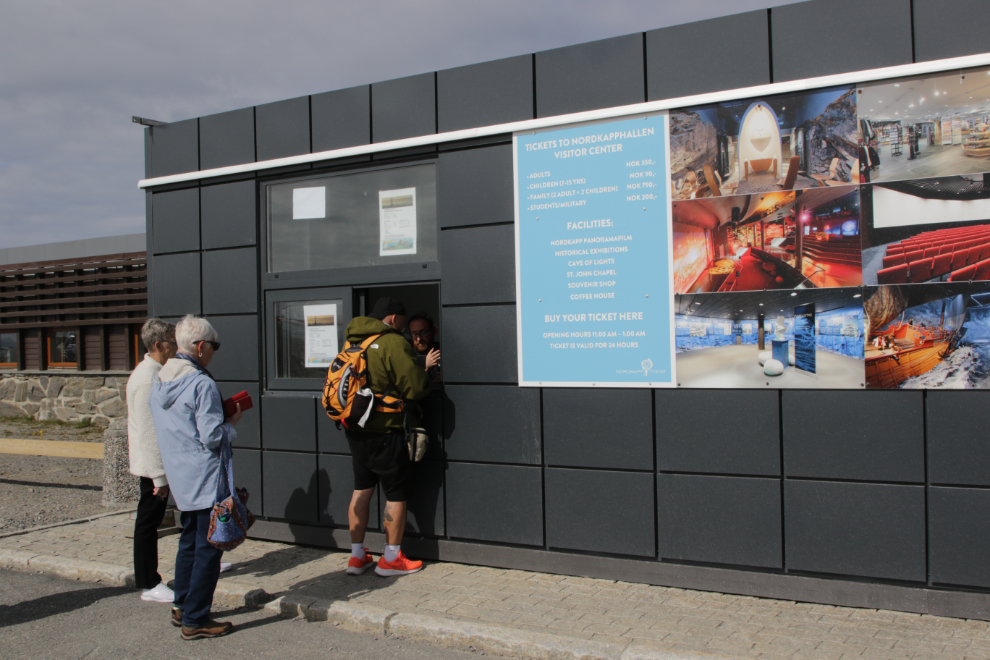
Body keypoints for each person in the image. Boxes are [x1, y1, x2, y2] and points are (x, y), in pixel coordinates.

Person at [150, 315, 243, 640]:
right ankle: (196, 618)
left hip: (180, 477)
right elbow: (211, 436)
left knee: (188, 543)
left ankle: (183, 605)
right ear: (201, 346)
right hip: (205, 477)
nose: (214, 352)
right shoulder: (201, 383)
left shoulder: (161, 379)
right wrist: (232, 422)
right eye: (213, 347)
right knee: (208, 547)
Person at [344, 297, 431, 577]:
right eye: (403, 323)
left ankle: (357, 556)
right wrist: (425, 373)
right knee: (395, 493)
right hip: (386, 430)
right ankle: (391, 557)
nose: (405, 330)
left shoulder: (352, 343)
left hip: (355, 430)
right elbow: (415, 387)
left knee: (361, 489)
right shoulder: (392, 341)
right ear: (394, 319)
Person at [127, 318, 178, 604]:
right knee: (148, 521)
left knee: (152, 519)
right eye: (172, 342)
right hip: (151, 467)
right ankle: (148, 582)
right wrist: (159, 478)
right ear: (158, 345)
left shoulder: (155, 371)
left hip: (157, 465)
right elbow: (148, 432)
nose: (175, 347)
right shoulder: (147, 378)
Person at [407, 311, 442, 388]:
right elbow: (409, 386)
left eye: (423, 332)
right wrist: (426, 366)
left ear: (434, 330)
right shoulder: (407, 357)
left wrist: (448, 379)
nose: (419, 338)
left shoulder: (445, 352)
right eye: (414, 334)